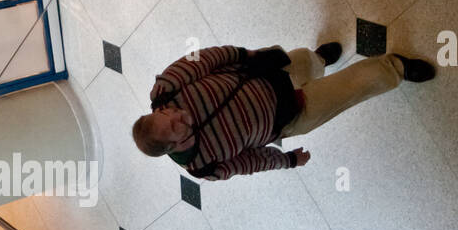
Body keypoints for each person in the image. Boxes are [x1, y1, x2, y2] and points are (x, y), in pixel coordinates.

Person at [130, 41, 435, 180]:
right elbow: (249, 163)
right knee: (350, 89)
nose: (176, 115)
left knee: (304, 60)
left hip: (267, 72)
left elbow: (203, 59)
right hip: (291, 115)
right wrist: (286, 160)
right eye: (173, 127)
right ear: (174, 147)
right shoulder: (203, 165)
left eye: (166, 114)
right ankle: (395, 68)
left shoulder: (165, 91)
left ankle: (319, 61)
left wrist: (247, 55)